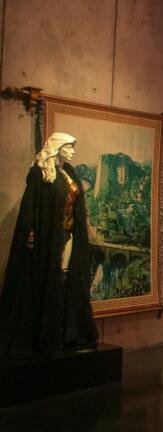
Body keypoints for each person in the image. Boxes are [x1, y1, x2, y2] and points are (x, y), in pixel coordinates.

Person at [0, 133, 98, 359]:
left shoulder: (69, 172)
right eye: (69, 147)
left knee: (67, 279)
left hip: (68, 234)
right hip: (50, 237)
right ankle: (48, 334)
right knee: (54, 279)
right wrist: (31, 232)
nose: (73, 151)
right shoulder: (40, 171)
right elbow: (31, 205)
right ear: (57, 147)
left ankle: (67, 333)